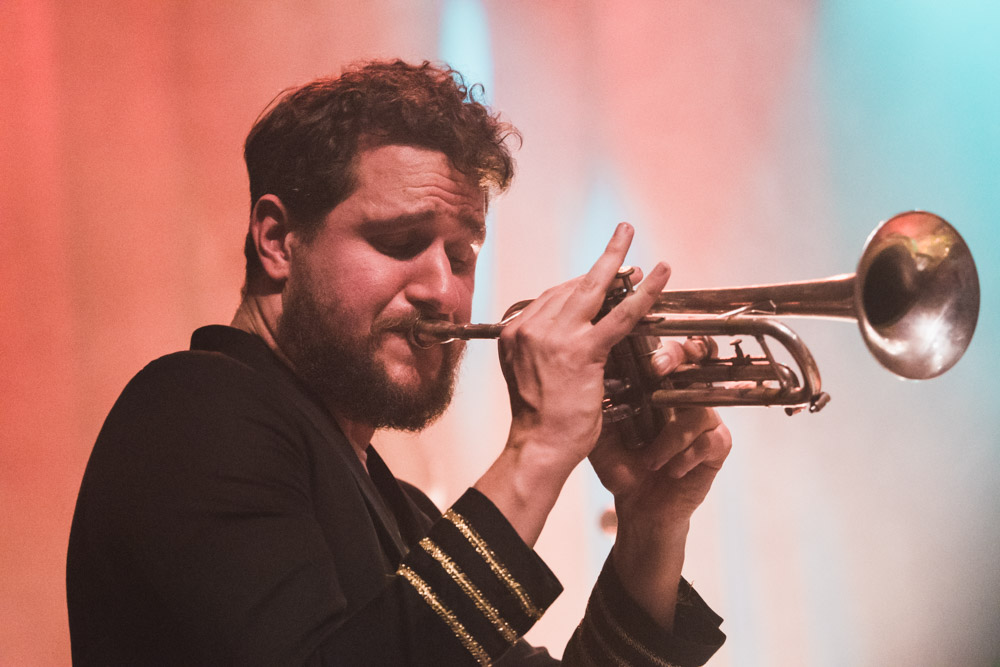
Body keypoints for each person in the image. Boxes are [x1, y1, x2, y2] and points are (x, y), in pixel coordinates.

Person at [67, 60, 730, 665]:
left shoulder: (401, 511)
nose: (444, 290)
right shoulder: (193, 413)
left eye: (462, 258)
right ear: (277, 241)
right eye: (400, 241)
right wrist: (537, 446)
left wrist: (652, 522)